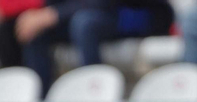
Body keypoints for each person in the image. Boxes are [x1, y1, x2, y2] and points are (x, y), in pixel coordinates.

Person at [17, 0, 176, 91]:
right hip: (95, 13)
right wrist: (41, 14)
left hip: (142, 13)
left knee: (84, 24)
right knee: (35, 29)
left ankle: (94, 94)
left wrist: (53, 14)